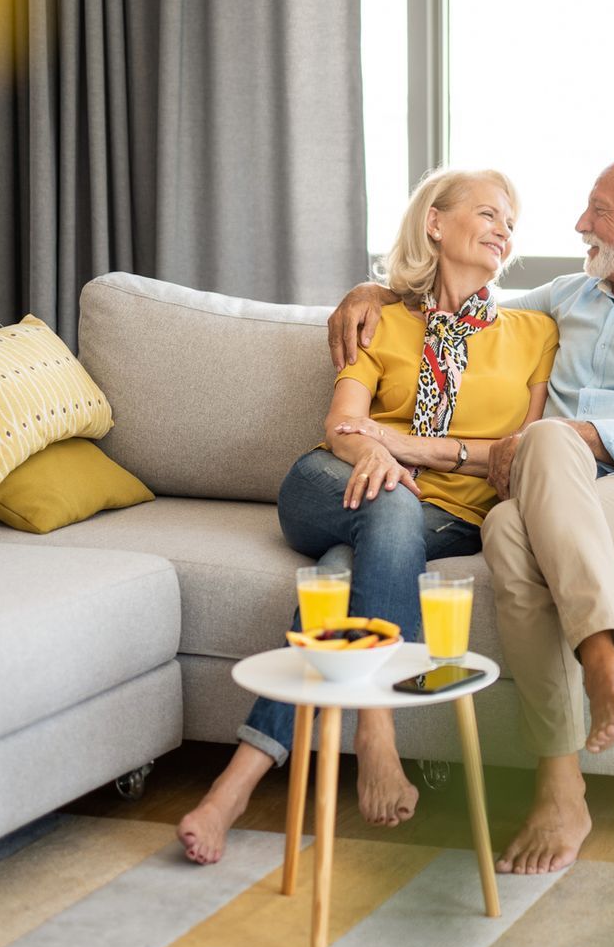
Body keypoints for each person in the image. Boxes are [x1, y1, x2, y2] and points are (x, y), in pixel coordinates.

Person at [326, 148, 614, 875]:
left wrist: (575, 434)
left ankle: (597, 672)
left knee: (547, 446)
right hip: (559, 494)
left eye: (600, 212)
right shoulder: (569, 296)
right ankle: (566, 778)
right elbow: (456, 307)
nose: (580, 224)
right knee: (504, 527)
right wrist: (370, 290)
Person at [177, 168, 559, 864]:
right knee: (387, 496)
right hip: (329, 484)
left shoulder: (534, 332)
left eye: (512, 220)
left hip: (443, 516)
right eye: (488, 211)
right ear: (435, 224)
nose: (506, 226)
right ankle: (377, 728)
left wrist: (397, 450)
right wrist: (376, 455)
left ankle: (231, 788)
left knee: (339, 573)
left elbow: (510, 457)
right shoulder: (381, 321)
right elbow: (341, 426)